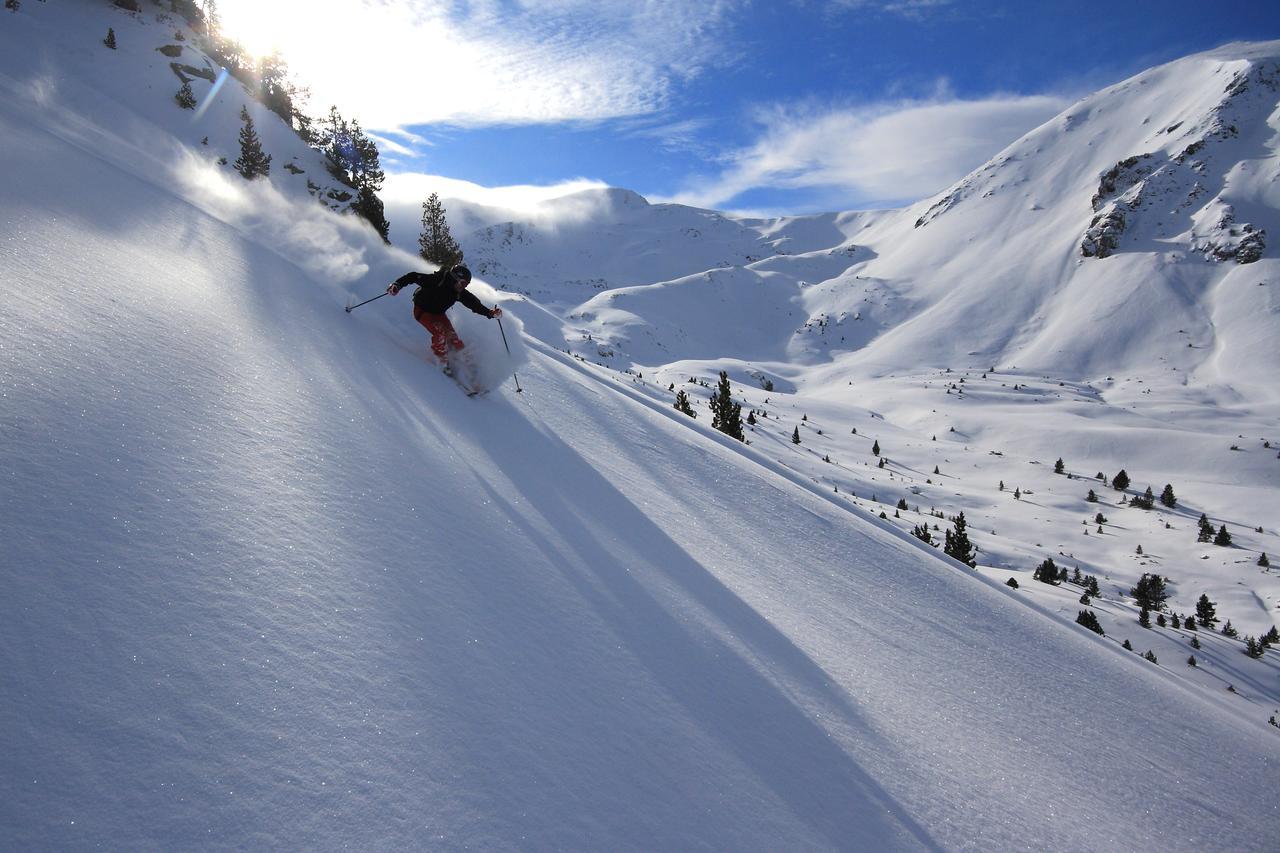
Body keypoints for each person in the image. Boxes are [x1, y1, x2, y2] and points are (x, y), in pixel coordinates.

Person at [386, 264, 502, 367]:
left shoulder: (459, 292)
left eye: (466, 284)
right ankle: (441, 361)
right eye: (463, 283)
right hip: (422, 311)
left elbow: (473, 304)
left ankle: (466, 364)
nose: (464, 287)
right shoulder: (437, 280)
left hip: (439, 314)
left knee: (453, 338)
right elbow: (413, 276)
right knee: (440, 334)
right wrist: (397, 285)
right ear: (454, 278)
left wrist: (490, 313)